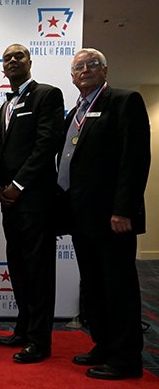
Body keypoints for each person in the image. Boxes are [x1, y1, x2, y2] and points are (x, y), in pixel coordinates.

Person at [57, 48, 150, 380]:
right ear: (72, 77)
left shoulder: (124, 101)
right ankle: (103, 344)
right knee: (94, 285)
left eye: (92, 64)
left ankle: (126, 358)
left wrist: (123, 209)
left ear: (105, 70)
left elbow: (135, 159)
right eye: (79, 66)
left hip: (113, 217)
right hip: (81, 217)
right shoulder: (74, 113)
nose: (85, 70)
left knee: (118, 286)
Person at [0, 44, 64, 363]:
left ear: (30, 62)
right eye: (7, 58)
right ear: (2, 67)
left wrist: (18, 185)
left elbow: (47, 144)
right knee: (19, 267)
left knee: (38, 270)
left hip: (35, 199)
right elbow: (3, 153)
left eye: (18, 56)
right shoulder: (3, 107)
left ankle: (40, 341)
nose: (12, 61)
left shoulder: (47, 95)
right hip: (9, 202)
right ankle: (23, 329)